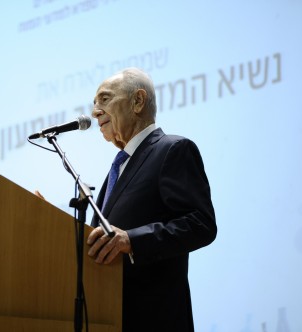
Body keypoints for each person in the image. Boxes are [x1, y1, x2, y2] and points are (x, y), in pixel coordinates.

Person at [86, 67, 217, 332]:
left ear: (138, 101)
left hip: (155, 319)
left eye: (105, 99)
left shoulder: (173, 149)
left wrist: (132, 241)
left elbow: (201, 224)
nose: (94, 112)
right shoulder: (119, 168)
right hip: (110, 318)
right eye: (94, 103)